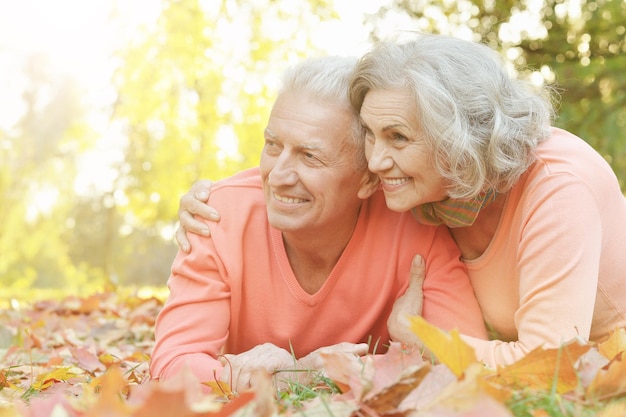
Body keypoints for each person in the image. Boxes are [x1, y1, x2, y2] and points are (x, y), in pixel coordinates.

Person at [177, 35, 626, 368]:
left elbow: (546, 369)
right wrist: (214, 200)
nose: (374, 160)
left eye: (397, 138)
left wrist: (420, 338)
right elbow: (312, 165)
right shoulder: (434, 193)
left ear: (459, 141)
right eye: (370, 135)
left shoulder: (558, 190)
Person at [151, 55, 487, 392]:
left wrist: (325, 371)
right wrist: (287, 377)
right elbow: (171, 364)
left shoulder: (416, 226)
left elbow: (472, 362)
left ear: (369, 180)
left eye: (309, 156)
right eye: (272, 145)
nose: (278, 176)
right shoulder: (218, 215)